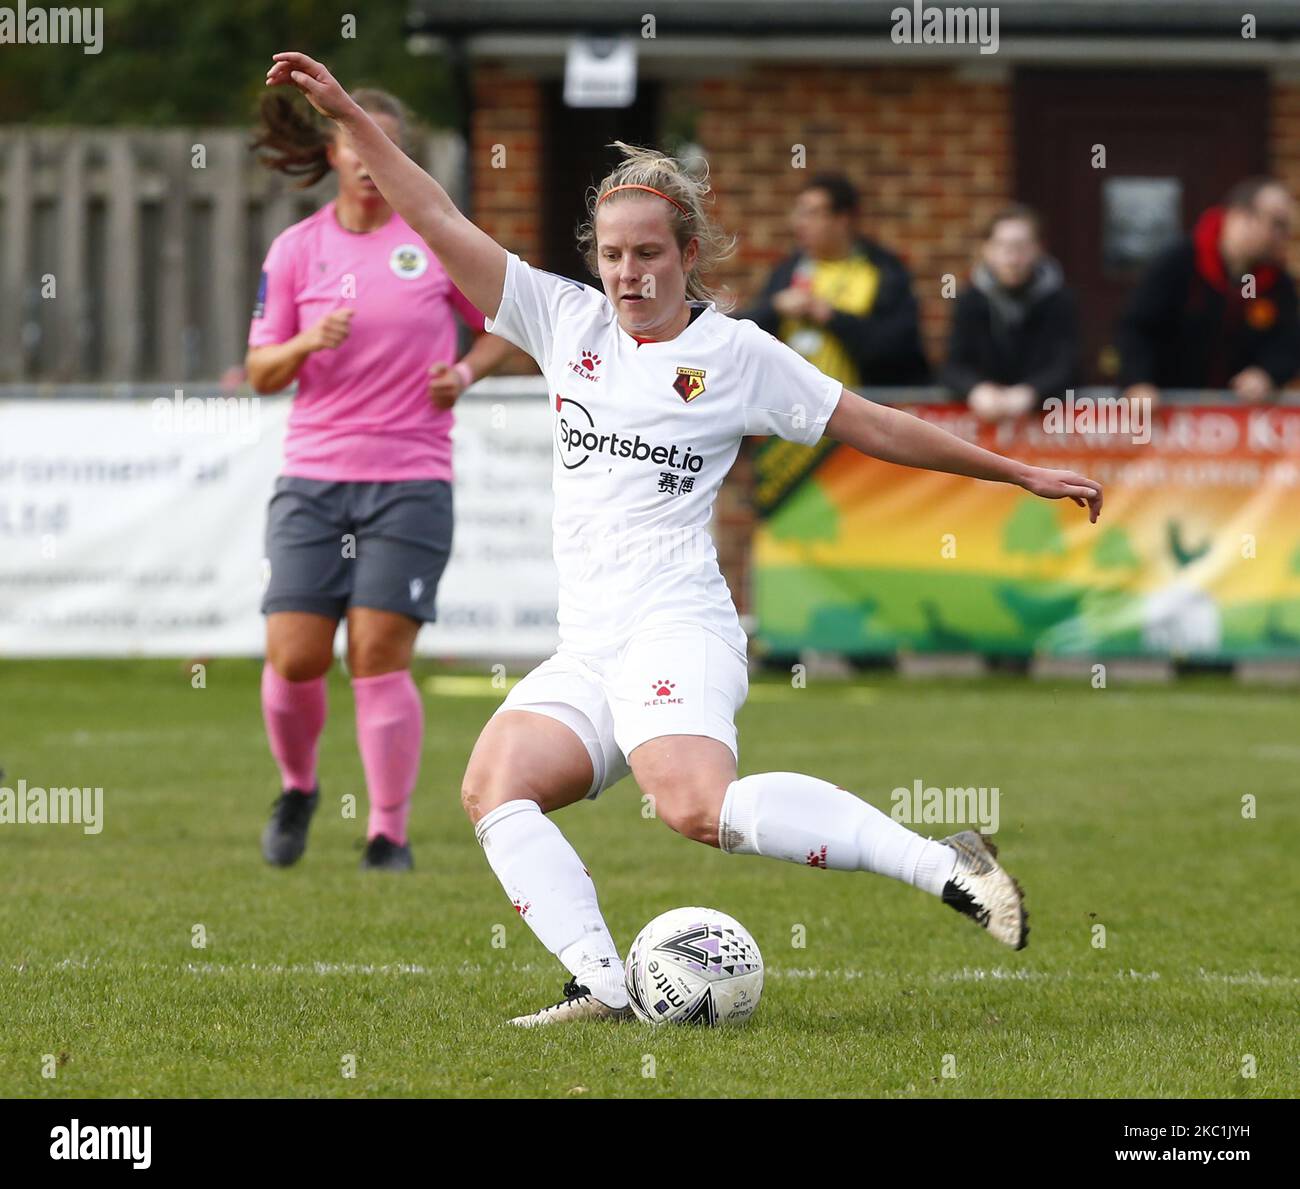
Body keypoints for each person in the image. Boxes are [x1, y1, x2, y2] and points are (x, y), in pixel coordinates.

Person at [266, 51, 1102, 1023]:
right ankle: (603, 982)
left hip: (677, 623)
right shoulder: (560, 319)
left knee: (694, 808)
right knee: (494, 785)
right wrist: (346, 115)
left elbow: (872, 423)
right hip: (592, 645)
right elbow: (435, 216)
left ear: (686, 253)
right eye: (613, 254)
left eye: (649, 253)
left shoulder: (735, 354)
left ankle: (945, 863)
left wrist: (1018, 471)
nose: (628, 272)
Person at [246, 86, 518, 872]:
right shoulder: (296, 249)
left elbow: (510, 321)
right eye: (356, 147)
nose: (370, 163)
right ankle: (298, 787)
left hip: (410, 479)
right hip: (313, 478)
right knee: (295, 655)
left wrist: (464, 373)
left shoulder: (437, 242)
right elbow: (261, 369)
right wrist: (304, 345)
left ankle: (386, 833)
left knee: (375, 650)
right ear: (333, 154)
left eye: (386, 149)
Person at [1119, 177, 1300, 406]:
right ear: (1240, 215)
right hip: (1167, 419)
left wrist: (1268, 374)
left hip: (1238, 425)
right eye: (1277, 224)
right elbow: (1136, 329)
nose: (1283, 236)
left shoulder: (1276, 284)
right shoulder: (1179, 263)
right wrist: (1137, 382)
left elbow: (1288, 343)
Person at [740, 173, 929, 386]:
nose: (799, 223)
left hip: (860, 404)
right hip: (793, 409)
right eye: (799, 213)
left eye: (812, 214)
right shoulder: (788, 270)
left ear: (842, 220)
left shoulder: (883, 270)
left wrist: (830, 316)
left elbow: (895, 346)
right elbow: (748, 330)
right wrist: (775, 308)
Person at [942, 205, 1081, 420]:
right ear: (986, 249)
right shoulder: (969, 301)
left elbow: (1068, 363)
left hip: (1049, 429)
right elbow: (953, 365)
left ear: (1039, 248)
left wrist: (1032, 392)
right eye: (1003, 246)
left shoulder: (1061, 301)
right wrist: (976, 390)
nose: (1013, 258)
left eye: (1021, 247)